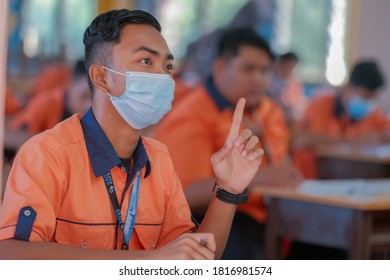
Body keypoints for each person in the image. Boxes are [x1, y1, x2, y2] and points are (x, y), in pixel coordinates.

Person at [0, 9, 264, 260]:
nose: (163, 76)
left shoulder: (158, 159)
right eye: (146, 61)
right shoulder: (49, 154)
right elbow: (12, 255)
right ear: (101, 78)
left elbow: (196, 261)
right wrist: (147, 260)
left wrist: (227, 192)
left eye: (168, 66)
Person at [154, 28, 302, 260]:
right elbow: (183, 196)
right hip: (226, 220)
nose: (258, 79)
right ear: (220, 67)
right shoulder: (191, 115)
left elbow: (284, 165)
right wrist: (254, 179)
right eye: (248, 69)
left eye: (264, 71)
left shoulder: (267, 109)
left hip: (277, 215)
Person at [292, 60, 389, 179]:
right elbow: (300, 140)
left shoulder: (374, 115)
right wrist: (353, 141)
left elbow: (386, 132)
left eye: (372, 99)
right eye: (364, 97)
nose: (368, 103)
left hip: (353, 181)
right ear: (349, 87)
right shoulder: (320, 105)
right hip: (311, 180)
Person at [8, 59, 91, 135]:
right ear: (70, 84)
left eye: (94, 99)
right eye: (85, 96)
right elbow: (18, 134)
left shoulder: (94, 115)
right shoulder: (44, 104)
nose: (89, 105)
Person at [267, 52, 306, 127]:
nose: (288, 69)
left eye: (292, 67)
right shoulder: (267, 78)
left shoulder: (294, 83)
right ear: (280, 63)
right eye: (287, 66)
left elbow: (296, 102)